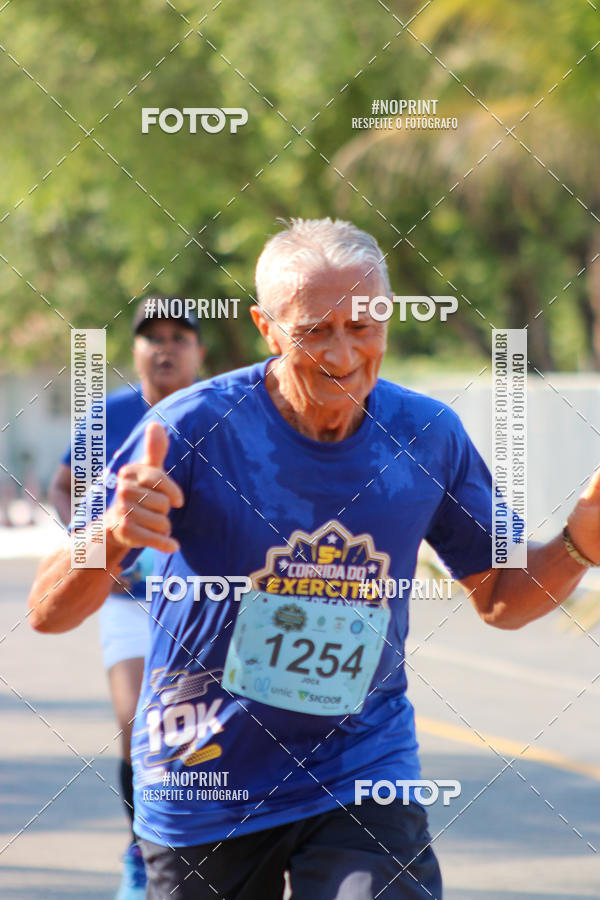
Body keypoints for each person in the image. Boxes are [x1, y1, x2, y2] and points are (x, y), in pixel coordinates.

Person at [29, 218, 599, 900]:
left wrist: (577, 546)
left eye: (363, 326)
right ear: (267, 329)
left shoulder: (426, 436)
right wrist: (113, 535)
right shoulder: (188, 427)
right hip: (207, 775)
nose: (342, 353)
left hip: (363, 767)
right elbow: (46, 611)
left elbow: (503, 597)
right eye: (314, 330)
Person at [48, 298, 205, 899]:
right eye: (152, 337)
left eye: (179, 336)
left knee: (201, 732)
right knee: (140, 723)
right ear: (135, 349)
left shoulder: (225, 412)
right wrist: (89, 548)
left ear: (199, 350)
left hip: (205, 601)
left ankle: (206, 845)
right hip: (129, 601)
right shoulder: (107, 416)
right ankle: (143, 848)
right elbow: (66, 487)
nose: (165, 347)